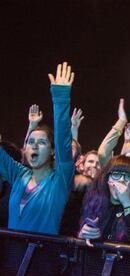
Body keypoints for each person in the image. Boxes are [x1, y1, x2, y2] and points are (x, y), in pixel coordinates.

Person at [0, 62, 75, 234]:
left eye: (41, 142)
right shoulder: (20, 175)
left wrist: (61, 98)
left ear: (52, 151)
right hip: (13, 259)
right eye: (30, 141)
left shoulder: (59, 182)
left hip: (43, 260)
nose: (34, 145)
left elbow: (63, 141)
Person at [78, 155, 130, 245]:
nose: (121, 180)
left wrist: (126, 202)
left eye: (128, 176)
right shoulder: (94, 202)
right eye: (116, 174)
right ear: (107, 179)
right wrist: (82, 235)